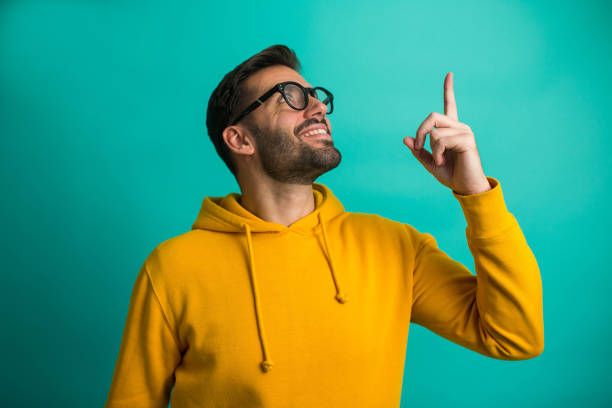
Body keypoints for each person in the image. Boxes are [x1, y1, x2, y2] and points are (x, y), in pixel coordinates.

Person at [104, 45, 544, 408]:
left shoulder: (394, 247)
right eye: (290, 96)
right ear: (240, 139)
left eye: (315, 96)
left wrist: (477, 194)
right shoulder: (173, 268)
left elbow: (515, 337)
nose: (317, 107)